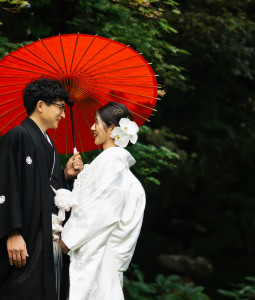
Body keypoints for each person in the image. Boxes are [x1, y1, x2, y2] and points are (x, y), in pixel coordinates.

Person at [0, 78, 83, 300]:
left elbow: (49, 192)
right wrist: (13, 232)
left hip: (49, 236)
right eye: (60, 107)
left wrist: (66, 176)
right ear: (40, 105)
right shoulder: (16, 136)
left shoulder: (50, 146)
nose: (63, 115)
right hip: (25, 235)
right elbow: (6, 185)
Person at [54, 102, 146, 300]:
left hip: (101, 254)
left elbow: (101, 209)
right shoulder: (113, 164)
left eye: (96, 123)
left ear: (112, 129)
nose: (92, 128)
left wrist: (67, 240)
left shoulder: (112, 162)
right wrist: (78, 177)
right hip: (104, 255)